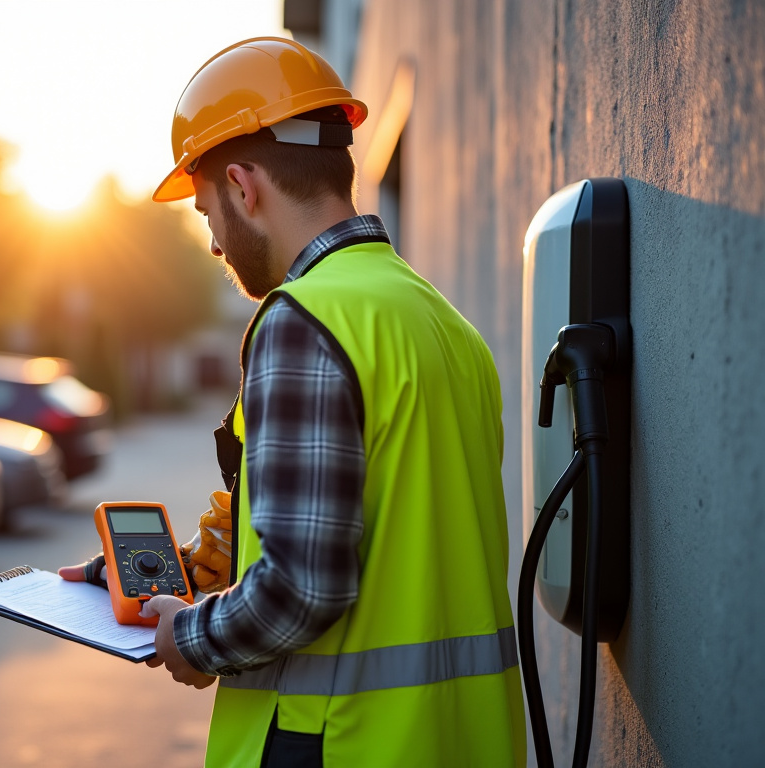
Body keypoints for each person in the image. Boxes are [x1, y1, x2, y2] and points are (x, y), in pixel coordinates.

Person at [59, 38, 526, 767]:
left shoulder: (303, 321)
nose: (215, 245)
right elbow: (384, 523)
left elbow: (300, 590)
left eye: (207, 213)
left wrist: (188, 638)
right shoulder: (444, 324)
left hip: (339, 744)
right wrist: (190, 569)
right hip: (463, 742)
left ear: (243, 187)